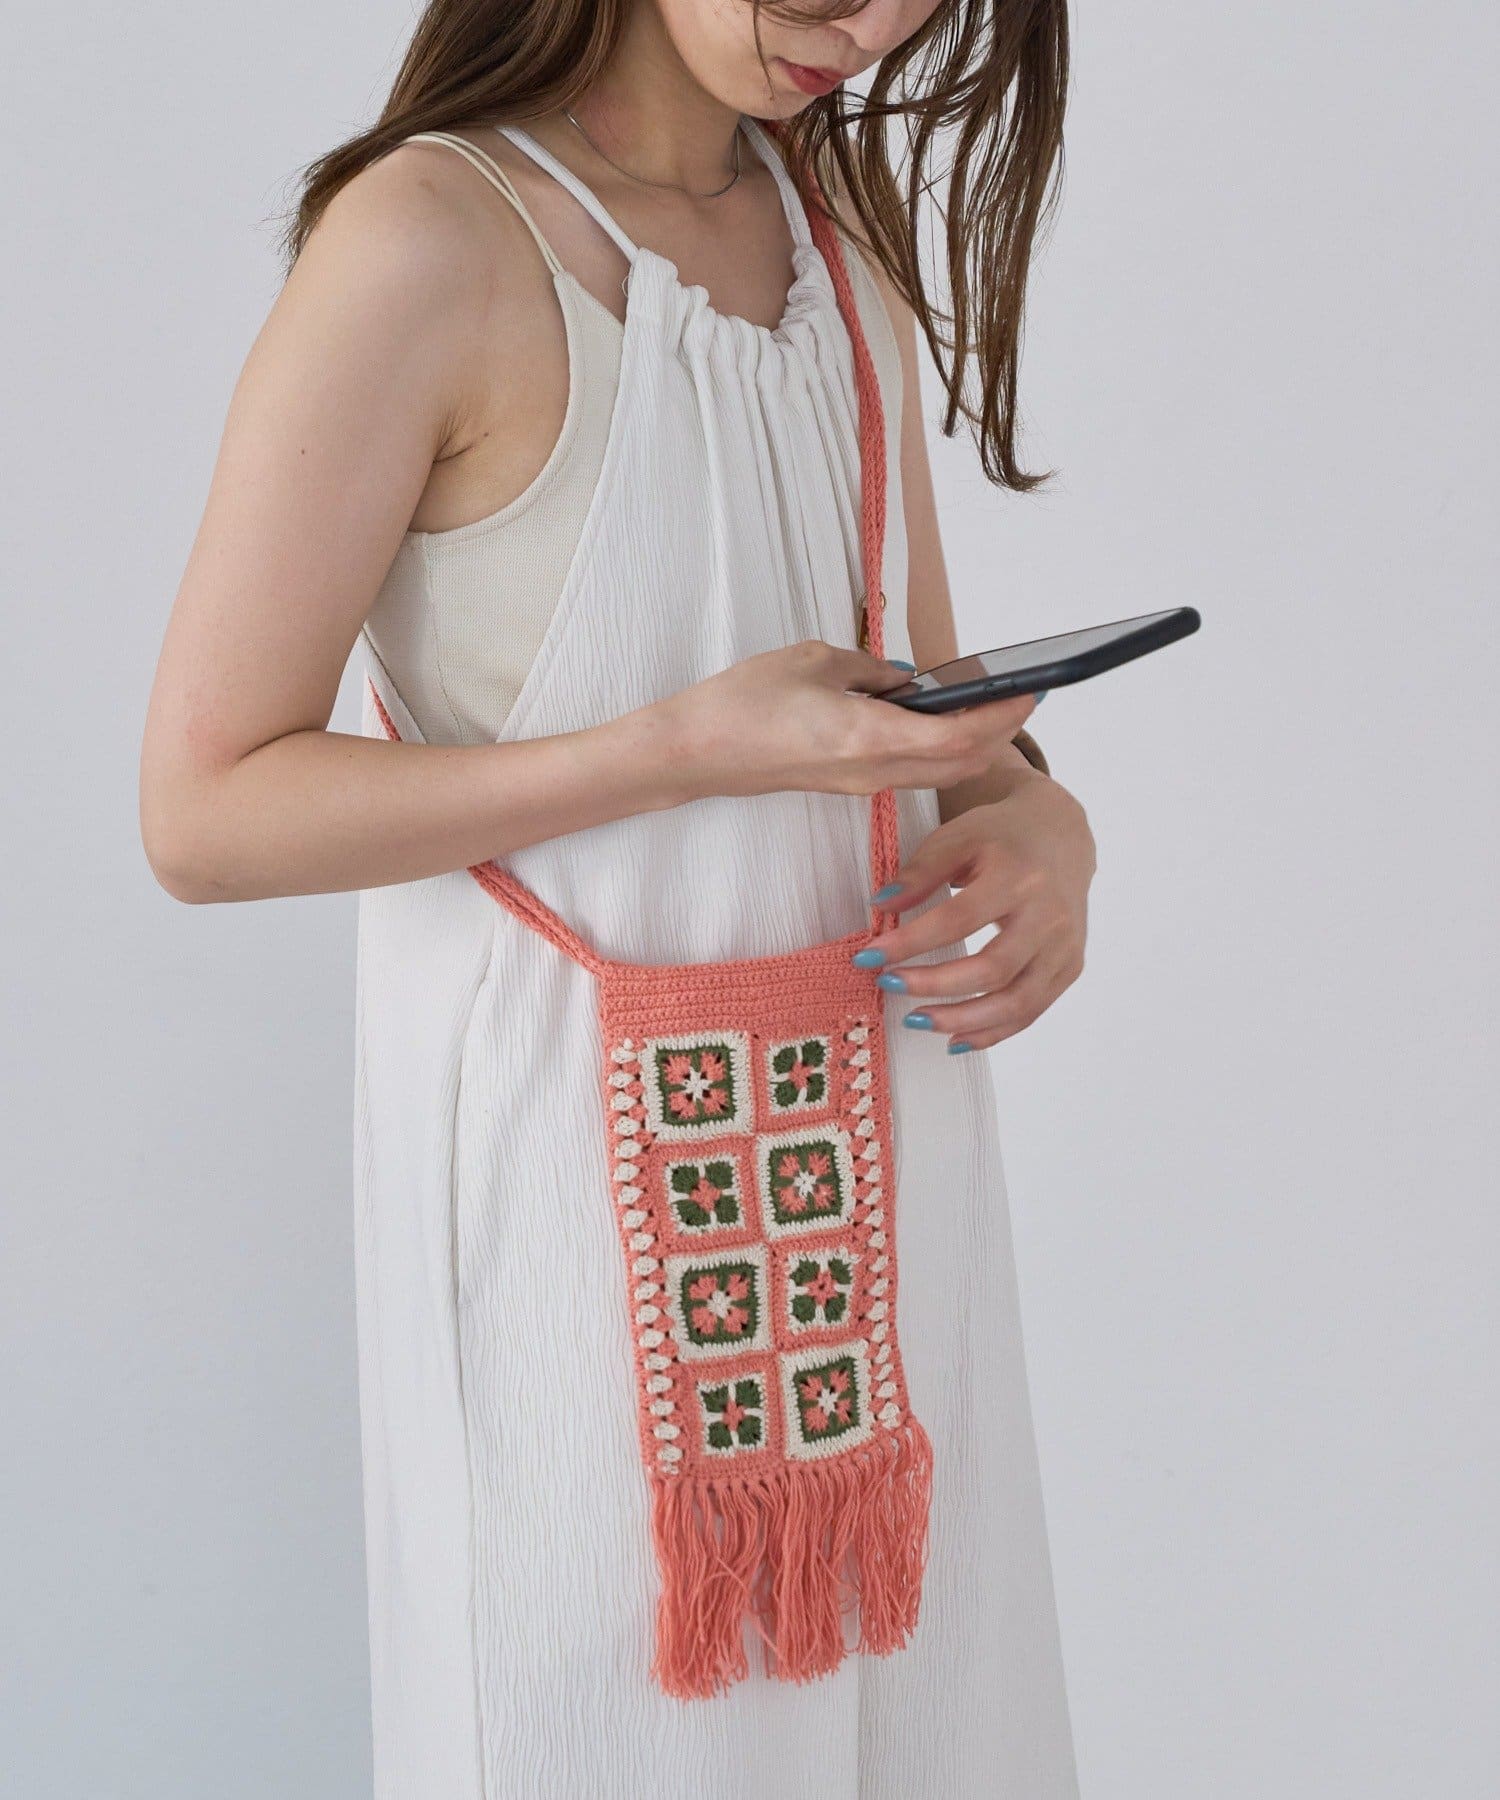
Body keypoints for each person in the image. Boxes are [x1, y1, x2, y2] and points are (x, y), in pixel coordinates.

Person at [141, 1, 1093, 1793]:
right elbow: (204, 811)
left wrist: (1040, 821)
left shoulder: (832, 242)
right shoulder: (432, 243)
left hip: (884, 1205)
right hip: (571, 1248)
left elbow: (927, 699)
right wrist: (674, 752)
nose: (873, 21)